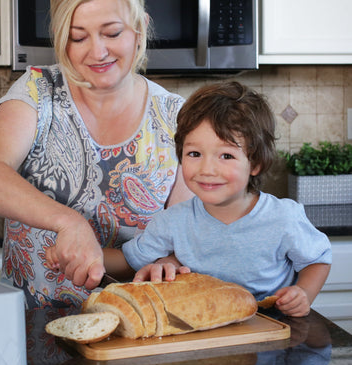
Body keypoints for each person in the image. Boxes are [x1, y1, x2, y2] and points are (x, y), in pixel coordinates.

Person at [0, 0, 192, 309]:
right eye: (78, 37)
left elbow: (189, 229)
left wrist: (172, 262)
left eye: (112, 33)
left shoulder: (176, 116)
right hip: (36, 326)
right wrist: (68, 222)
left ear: (140, 29)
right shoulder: (37, 92)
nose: (97, 51)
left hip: (139, 328)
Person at [102, 81, 332, 317]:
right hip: (205, 333)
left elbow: (317, 260)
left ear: (256, 163)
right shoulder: (172, 221)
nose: (207, 168)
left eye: (226, 155)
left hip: (270, 332)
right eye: (194, 153)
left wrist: (303, 292)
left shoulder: (283, 217)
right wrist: (77, 254)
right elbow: (129, 261)